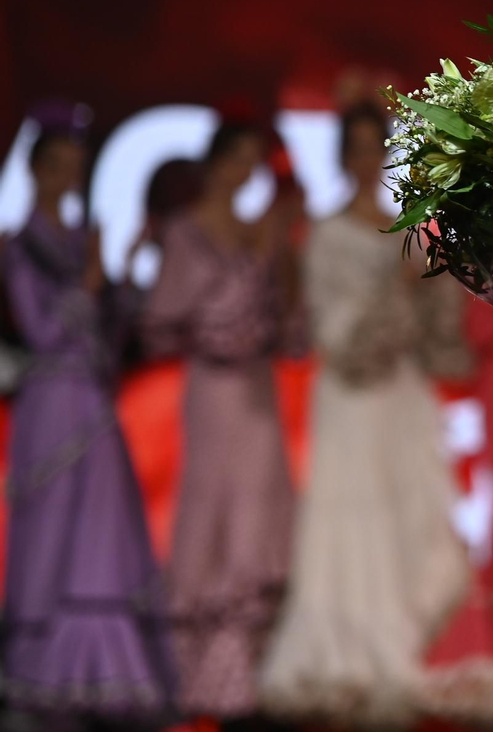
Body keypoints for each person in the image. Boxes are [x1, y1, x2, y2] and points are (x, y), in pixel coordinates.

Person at [259, 103, 472, 726]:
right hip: (351, 399)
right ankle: (353, 660)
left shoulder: (403, 229)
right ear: (341, 155)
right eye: (350, 146)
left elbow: (444, 343)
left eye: (369, 145)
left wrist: (436, 282)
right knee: (355, 522)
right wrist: (400, 289)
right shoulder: (326, 236)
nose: (361, 157)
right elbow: (338, 340)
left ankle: (396, 651)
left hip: (402, 396)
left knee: (418, 524)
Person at [1, 123, 178, 728]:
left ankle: (104, 678)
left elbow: (107, 343)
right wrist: (91, 282)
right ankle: (41, 682)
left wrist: (123, 277)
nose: (68, 176)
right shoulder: (20, 244)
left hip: (93, 406)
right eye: (58, 164)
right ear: (36, 170)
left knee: (102, 541)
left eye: (75, 164)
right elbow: (43, 331)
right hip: (52, 407)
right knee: (51, 541)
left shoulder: (84, 242)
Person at [141, 119, 300, 726]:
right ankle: (199, 685)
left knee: (258, 514)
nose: (244, 170)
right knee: (210, 512)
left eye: (253, 160)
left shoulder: (260, 231)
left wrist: (277, 255)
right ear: (212, 163)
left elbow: (289, 326)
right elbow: (160, 323)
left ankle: (249, 689)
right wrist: (221, 307)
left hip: (257, 391)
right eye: (235, 158)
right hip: (212, 393)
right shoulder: (185, 232)